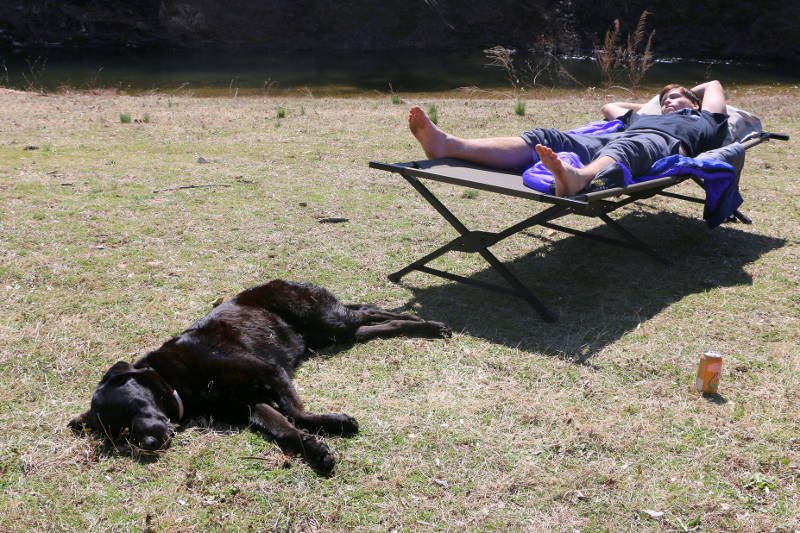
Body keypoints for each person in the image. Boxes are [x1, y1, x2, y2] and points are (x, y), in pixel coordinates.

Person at [409, 81, 728, 196]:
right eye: (666, 99)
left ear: (695, 104)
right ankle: (447, 146)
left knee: (629, 144)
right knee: (546, 137)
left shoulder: (704, 120)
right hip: (616, 144)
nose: (669, 102)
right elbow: (609, 106)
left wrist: (685, 96)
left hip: (661, 145)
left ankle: (577, 179)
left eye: (676, 98)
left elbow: (713, 84)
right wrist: (650, 105)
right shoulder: (645, 115)